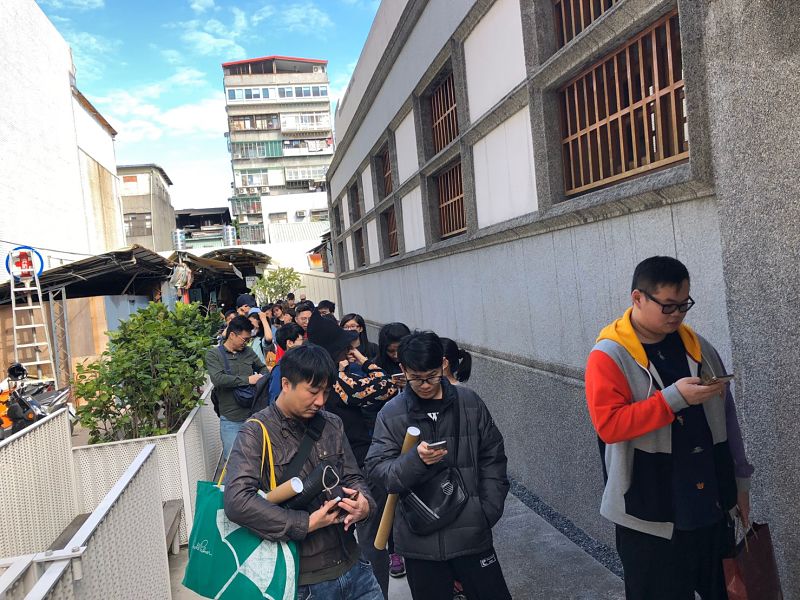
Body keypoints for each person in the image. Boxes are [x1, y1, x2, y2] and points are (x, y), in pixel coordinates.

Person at [585, 256, 754, 600]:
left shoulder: (699, 348)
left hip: (711, 507)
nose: (677, 314)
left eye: (683, 305)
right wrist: (672, 399)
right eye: (667, 306)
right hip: (649, 516)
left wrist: (740, 483)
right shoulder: (609, 356)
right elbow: (609, 426)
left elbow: (728, 419)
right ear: (637, 298)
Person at [223, 344, 383, 600]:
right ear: (286, 384)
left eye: (326, 392)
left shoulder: (332, 423)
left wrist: (364, 504)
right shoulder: (255, 432)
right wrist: (305, 524)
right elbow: (237, 501)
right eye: (313, 391)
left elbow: (353, 476)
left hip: (356, 567)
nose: (320, 401)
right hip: (303, 583)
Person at [366, 331, 511, 600]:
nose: (424, 385)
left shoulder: (470, 402)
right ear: (403, 369)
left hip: (471, 534)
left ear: (444, 364)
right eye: (416, 378)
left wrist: (486, 511)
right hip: (419, 542)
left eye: (432, 375)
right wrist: (415, 461)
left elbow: (493, 457)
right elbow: (378, 471)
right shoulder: (391, 413)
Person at [306, 311, 400, 598]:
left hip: (331, 470)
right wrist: (361, 358)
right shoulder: (339, 381)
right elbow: (386, 385)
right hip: (357, 465)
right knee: (372, 539)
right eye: (345, 345)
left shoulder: (323, 379)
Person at [205, 316, 268, 459]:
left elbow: (262, 368)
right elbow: (218, 379)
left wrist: (262, 378)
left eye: (249, 340)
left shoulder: (248, 352)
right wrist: (248, 380)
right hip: (230, 419)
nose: (246, 343)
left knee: (256, 458)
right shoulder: (214, 354)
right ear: (232, 335)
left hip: (253, 416)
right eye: (244, 339)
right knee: (233, 460)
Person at [265, 322, 305, 406]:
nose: (304, 344)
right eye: (302, 340)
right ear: (290, 343)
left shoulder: (302, 363)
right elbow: (274, 400)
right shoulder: (280, 369)